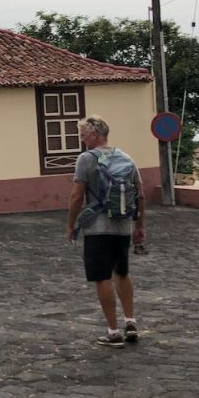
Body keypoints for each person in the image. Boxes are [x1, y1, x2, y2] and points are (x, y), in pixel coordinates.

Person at [65, 115, 146, 347]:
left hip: (98, 228)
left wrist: (71, 224)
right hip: (123, 227)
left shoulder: (86, 159)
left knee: (102, 278)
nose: (81, 139)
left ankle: (113, 332)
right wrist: (139, 226)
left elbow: (77, 196)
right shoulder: (126, 157)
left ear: (95, 134)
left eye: (83, 134)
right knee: (122, 272)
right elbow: (140, 195)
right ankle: (130, 322)